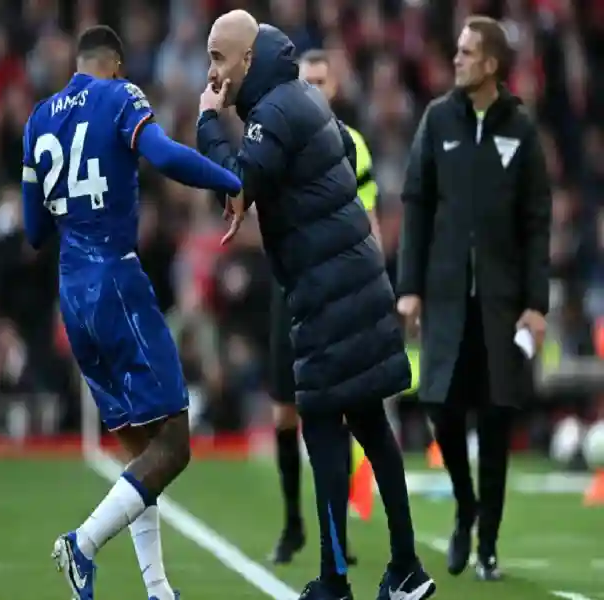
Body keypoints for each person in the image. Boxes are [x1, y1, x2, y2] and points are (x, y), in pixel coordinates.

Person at [196, 11, 435, 600]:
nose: (213, 72)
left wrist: (207, 118)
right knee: (370, 425)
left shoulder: (274, 110)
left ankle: (334, 580)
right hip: (350, 286)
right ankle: (406, 569)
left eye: (219, 58)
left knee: (325, 431)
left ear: (248, 59)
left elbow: (234, 181)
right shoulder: (291, 97)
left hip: (329, 297)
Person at [21, 25, 242, 600]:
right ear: (114, 64)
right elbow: (163, 154)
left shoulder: (39, 118)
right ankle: (83, 543)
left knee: (140, 452)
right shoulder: (120, 96)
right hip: (116, 278)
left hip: (72, 293)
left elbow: (33, 230)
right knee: (174, 444)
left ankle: (157, 588)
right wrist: (232, 180)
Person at [397, 15, 551, 581]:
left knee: (495, 419)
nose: (456, 59)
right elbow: (415, 204)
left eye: (466, 52)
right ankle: (465, 506)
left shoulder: (522, 130)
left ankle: (487, 544)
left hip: (501, 304)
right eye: (456, 50)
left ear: (490, 64)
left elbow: (538, 222)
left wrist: (537, 302)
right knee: (440, 406)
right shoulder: (437, 120)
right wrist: (409, 288)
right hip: (443, 298)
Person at [267, 48, 382, 567]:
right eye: (305, 80)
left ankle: (334, 533)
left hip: (336, 288)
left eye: (320, 80)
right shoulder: (279, 136)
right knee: (284, 412)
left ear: (334, 87)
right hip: (288, 286)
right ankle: (292, 522)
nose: (314, 88)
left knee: (334, 412)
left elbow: (369, 218)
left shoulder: (352, 145)